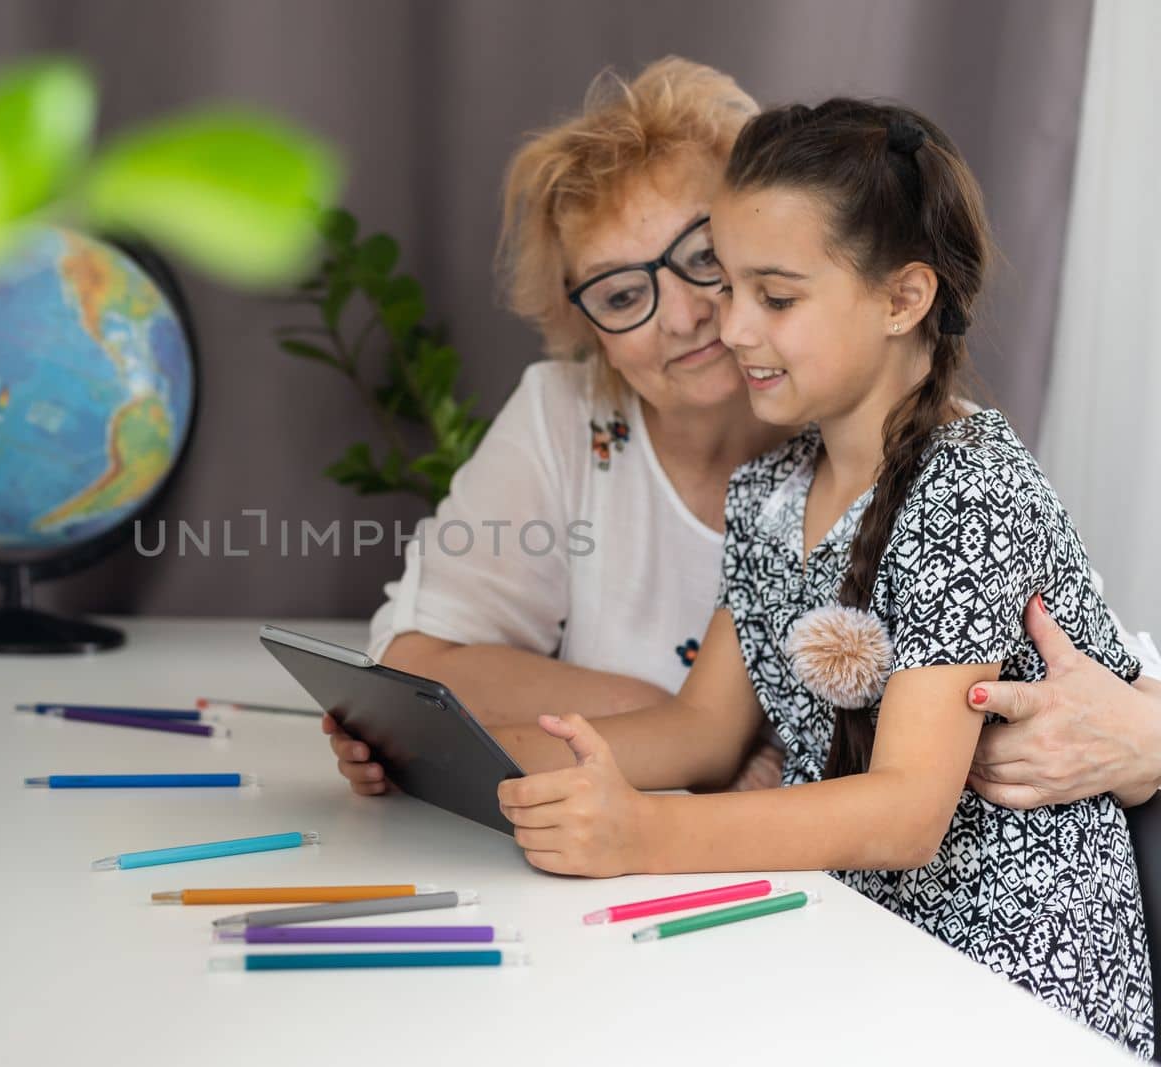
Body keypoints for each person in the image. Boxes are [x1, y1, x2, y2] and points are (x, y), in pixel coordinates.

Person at [484, 98, 1148, 1053]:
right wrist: (461, 752)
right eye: (729, 283)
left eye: (776, 297)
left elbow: (905, 813)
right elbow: (702, 731)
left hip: (1004, 984)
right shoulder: (769, 488)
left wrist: (642, 839)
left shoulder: (972, 489)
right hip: (849, 943)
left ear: (902, 298)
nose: (732, 327)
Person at [329, 57, 1161, 808]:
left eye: (707, 261)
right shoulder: (678, 456)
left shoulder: (925, 457)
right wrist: (444, 753)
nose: (696, 318)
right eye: (622, 296)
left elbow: (1086, 657)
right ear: (587, 327)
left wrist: (1145, 734)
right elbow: (418, 666)